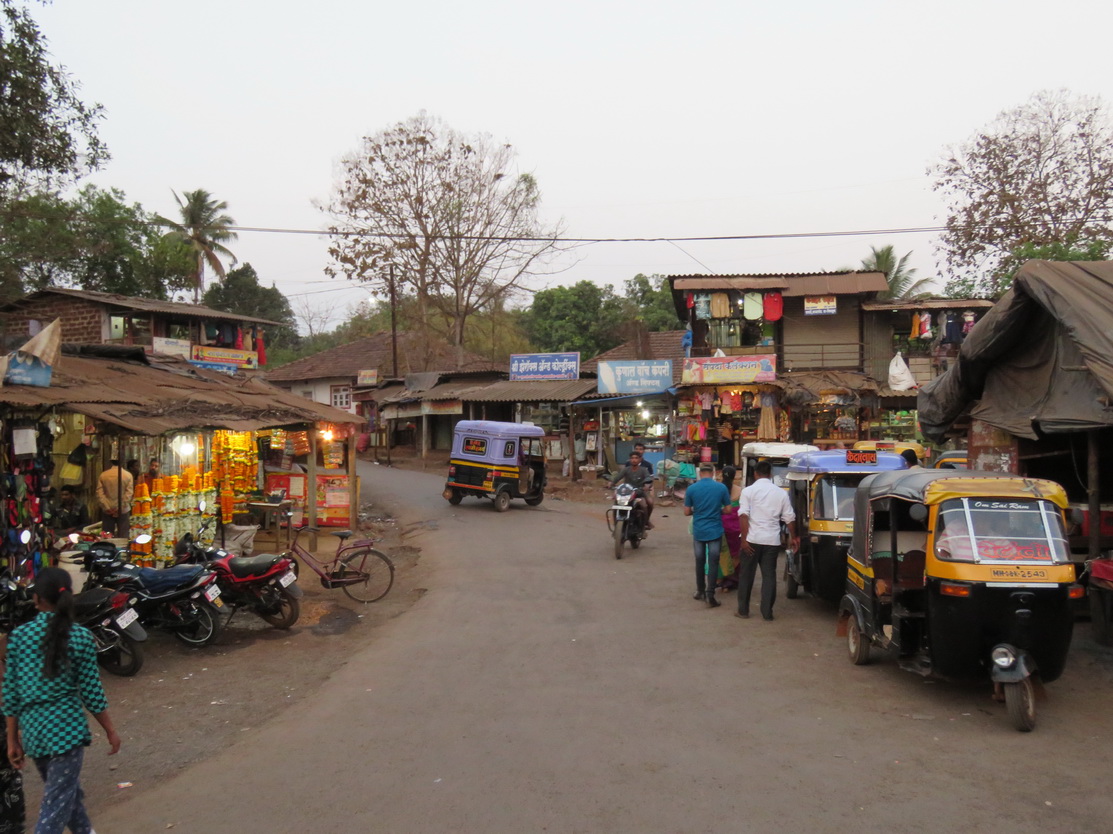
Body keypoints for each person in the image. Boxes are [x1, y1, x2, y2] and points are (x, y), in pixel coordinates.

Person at [3, 568, 121, 834]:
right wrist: (110, 730)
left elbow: (11, 694)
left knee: (66, 792)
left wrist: (13, 739)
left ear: (36, 599)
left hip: (35, 734)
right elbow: (92, 692)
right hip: (67, 732)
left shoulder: (19, 638)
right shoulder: (80, 637)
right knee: (57, 801)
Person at [737, 460, 798, 621]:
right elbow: (789, 519)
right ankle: (767, 612)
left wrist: (744, 540)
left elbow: (743, 516)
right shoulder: (781, 493)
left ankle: (743, 610)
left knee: (746, 576)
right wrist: (794, 537)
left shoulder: (748, 491)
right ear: (771, 474)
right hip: (771, 540)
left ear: (755, 474)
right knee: (769, 576)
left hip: (752, 540)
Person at [684, 462, 732, 608]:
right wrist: (718, 511)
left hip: (699, 530)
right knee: (713, 562)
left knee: (699, 560)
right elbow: (728, 510)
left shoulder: (692, 488)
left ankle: (700, 591)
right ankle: (710, 595)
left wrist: (697, 512)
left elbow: (686, 512)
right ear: (713, 473)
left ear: (700, 473)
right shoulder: (721, 487)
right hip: (715, 529)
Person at [609, 452, 653, 530]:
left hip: (639, 493)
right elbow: (617, 477)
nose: (634, 460)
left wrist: (647, 485)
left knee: (647, 504)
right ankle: (616, 524)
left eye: (636, 458)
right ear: (629, 460)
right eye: (632, 458)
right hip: (626, 493)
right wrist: (611, 483)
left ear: (640, 460)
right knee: (616, 504)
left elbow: (648, 478)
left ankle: (645, 522)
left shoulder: (643, 470)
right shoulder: (626, 469)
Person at [718, 466, 743, 592]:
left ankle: (721, 580)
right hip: (736, 528)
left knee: (721, 553)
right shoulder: (740, 491)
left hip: (721, 526)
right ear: (734, 477)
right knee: (735, 554)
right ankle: (731, 581)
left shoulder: (717, 489)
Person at [95, 459, 133, 539]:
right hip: (123, 510)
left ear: (111, 462)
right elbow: (128, 494)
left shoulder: (103, 475)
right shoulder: (128, 475)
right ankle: (123, 550)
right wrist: (119, 508)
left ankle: (108, 550)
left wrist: (107, 507)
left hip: (107, 510)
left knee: (107, 536)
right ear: (123, 463)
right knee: (123, 535)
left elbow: (99, 493)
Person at [631, 443, 656, 529]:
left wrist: (647, 486)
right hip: (630, 490)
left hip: (642, 490)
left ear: (644, 451)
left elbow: (651, 478)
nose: (638, 451)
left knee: (649, 503)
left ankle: (646, 521)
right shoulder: (628, 463)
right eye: (636, 449)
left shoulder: (647, 465)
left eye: (640, 449)